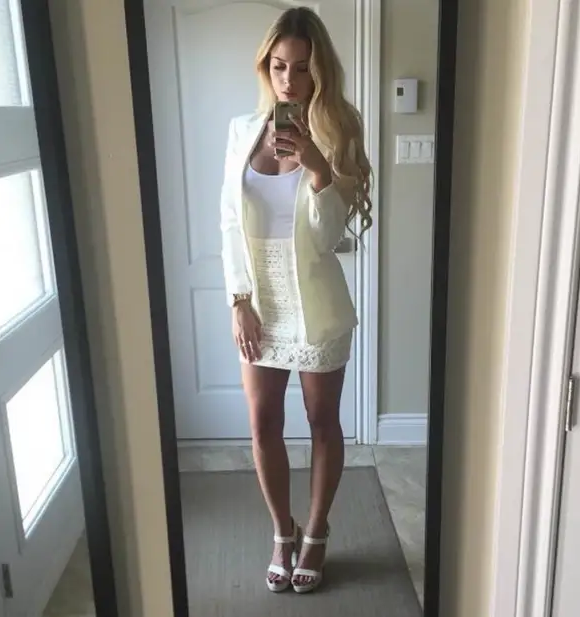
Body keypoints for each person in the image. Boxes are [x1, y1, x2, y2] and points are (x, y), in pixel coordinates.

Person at [219, 6, 372, 594]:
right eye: (279, 66)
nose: (288, 79)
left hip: (317, 303)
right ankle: (282, 532)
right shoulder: (241, 130)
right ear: (266, 66)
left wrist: (317, 168)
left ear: (320, 71)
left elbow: (330, 236)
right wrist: (238, 300)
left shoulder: (339, 132)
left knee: (321, 420)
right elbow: (228, 222)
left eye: (302, 68)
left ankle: (316, 531)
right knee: (262, 422)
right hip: (260, 300)